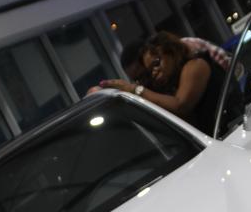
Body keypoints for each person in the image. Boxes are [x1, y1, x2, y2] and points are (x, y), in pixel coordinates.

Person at [100, 32, 242, 136]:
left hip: (236, 132)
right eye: (147, 73)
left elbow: (181, 105)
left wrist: (135, 89)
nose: (154, 73)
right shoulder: (167, 87)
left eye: (156, 63)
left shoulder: (195, 65)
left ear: (170, 52)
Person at [120, 35, 231, 84]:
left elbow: (180, 104)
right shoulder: (159, 83)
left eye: (143, 75)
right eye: (137, 80)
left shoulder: (191, 53)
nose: (154, 73)